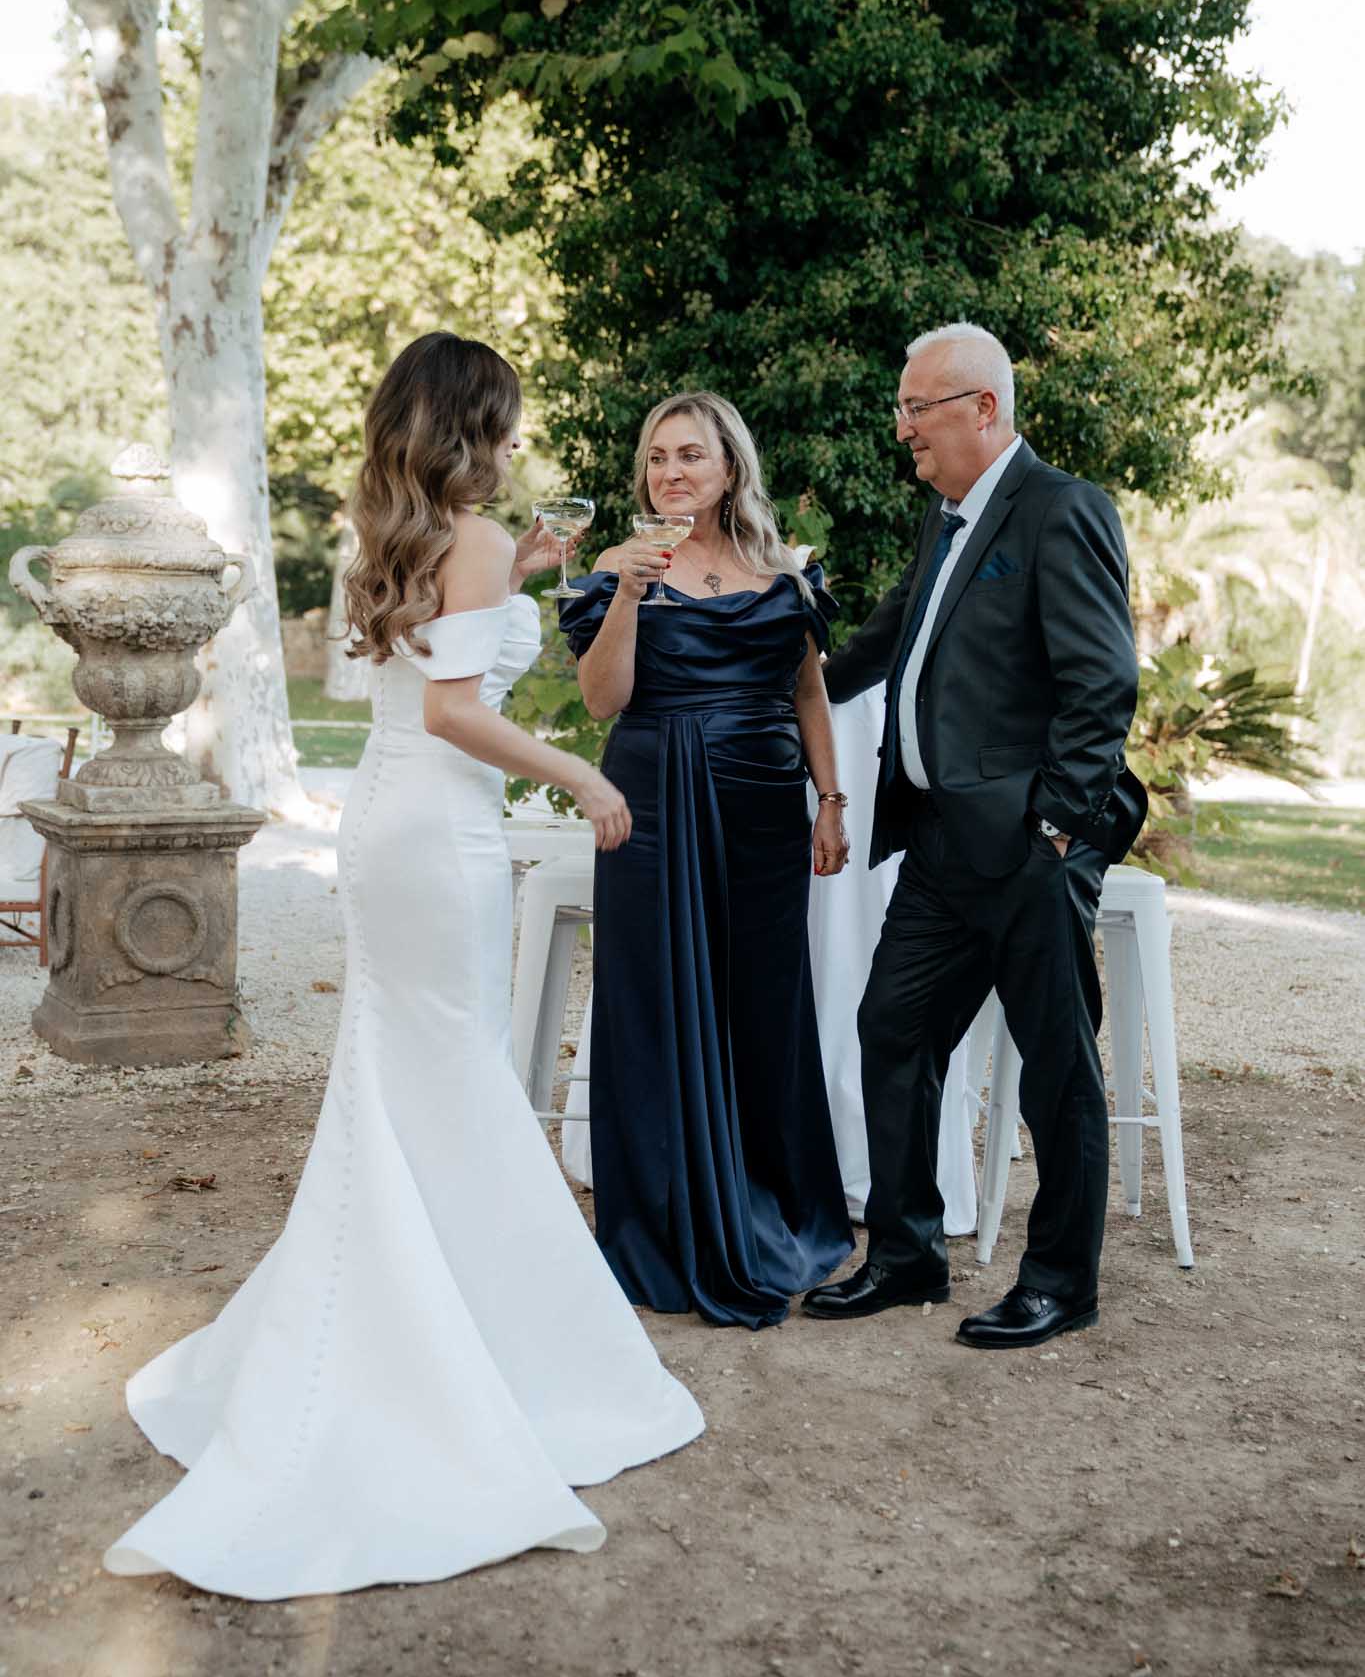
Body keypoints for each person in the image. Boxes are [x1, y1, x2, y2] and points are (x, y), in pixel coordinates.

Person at [105, 333, 702, 1600]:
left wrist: (529, 565)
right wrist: (584, 770)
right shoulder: (469, 541)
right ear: (474, 424)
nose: (512, 439)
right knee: (453, 1076)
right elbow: (453, 710)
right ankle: (475, 1354)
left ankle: (425, 1318)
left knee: (410, 1077)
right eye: (506, 418)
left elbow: (424, 672)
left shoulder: (398, 539)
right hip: (441, 830)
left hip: (386, 826)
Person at [802, 324, 1146, 1347]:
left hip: (1031, 852)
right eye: (905, 407)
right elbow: (878, 649)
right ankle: (906, 1257)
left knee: (1055, 1069)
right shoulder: (944, 524)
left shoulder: (1062, 510)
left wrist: (1053, 827)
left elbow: (1102, 683)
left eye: (919, 407)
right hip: (942, 847)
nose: (902, 426)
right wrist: (774, 674)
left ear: (982, 409)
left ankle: (1059, 1282)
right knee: (892, 1031)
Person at [558, 391, 854, 1329]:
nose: (671, 473)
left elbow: (807, 689)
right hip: (654, 796)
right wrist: (635, 594)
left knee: (762, 1007)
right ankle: (668, 1220)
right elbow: (603, 699)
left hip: (766, 808)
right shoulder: (615, 566)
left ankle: (774, 1206)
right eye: (655, 459)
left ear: (730, 467)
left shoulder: (782, 568)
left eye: (690, 456)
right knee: (656, 999)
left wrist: (829, 801)